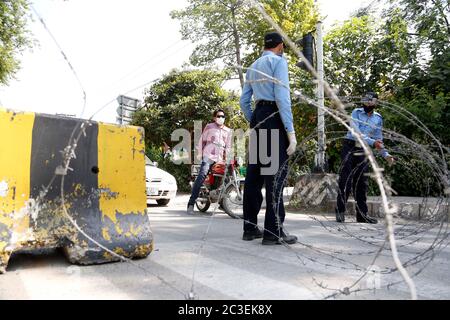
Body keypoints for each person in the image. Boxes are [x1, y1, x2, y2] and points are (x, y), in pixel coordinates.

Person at [239, 31, 298, 245]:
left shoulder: (252, 65)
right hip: (273, 118)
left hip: (259, 118)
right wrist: (290, 133)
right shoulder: (278, 62)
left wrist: (254, 119)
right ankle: (273, 232)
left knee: (254, 177)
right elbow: (283, 98)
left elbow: (244, 101)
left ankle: (250, 228)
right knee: (275, 176)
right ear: (280, 45)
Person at [335, 92, 395, 224]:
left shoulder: (378, 118)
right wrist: (373, 143)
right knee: (346, 179)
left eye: (370, 101)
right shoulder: (356, 113)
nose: (367, 103)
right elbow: (356, 133)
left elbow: (379, 139)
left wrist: (386, 155)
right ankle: (340, 211)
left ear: (375, 103)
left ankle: (362, 215)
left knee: (362, 182)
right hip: (349, 146)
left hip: (363, 149)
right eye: (365, 101)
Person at [187, 109, 232, 214]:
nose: (221, 118)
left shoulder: (228, 131)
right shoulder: (209, 126)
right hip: (208, 156)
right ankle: (191, 203)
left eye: (223, 116)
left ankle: (222, 203)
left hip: (220, 158)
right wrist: (200, 153)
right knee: (202, 175)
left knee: (226, 178)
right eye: (218, 116)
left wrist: (229, 157)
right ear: (214, 117)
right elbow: (202, 141)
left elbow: (228, 147)